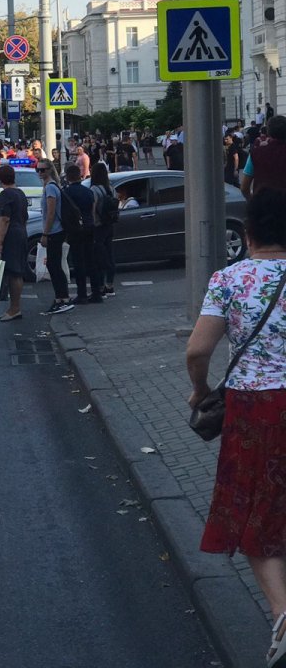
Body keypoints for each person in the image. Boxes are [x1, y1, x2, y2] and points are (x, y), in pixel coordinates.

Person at [186, 190, 286, 668]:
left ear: (248, 235)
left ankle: (282, 614)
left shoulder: (230, 279)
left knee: (253, 512)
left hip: (254, 409)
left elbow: (197, 350)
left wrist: (200, 390)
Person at [0, 164, 30, 322]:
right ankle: (13, 307)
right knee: (16, 272)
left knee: (14, 272)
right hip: (20, 233)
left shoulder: (6, 195)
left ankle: (15, 308)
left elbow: (4, 219)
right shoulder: (20, 193)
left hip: (11, 237)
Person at [37, 159, 73, 314]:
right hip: (55, 231)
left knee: (54, 265)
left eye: (42, 170)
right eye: (37, 170)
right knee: (54, 265)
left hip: (54, 232)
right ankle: (61, 297)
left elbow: (51, 213)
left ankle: (62, 298)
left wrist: (45, 233)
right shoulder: (50, 186)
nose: (39, 173)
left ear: (50, 170)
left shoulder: (51, 188)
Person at [63, 162, 102, 303]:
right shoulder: (89, 192)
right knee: (91, 261)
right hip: (89, 227)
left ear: (68, 177)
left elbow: (65, 214)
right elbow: (92, 211)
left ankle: (82, 294)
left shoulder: (66, 193)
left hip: (75, 230)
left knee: (79, 263)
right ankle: (96, 293)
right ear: (80, 176)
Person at [241, 115, 286, 200]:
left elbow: (244, 187)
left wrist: (253, 202)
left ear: (268, 132)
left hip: (262, 207)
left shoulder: (256, 153)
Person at [90, 161, 116, 297]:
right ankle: (110, 285)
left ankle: (100, 286)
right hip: (109, 225)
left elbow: (93, 209)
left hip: (99, 226)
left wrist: (92, 223)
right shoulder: (110, 188)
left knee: (98, 257)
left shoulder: (94, 190)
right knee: (109, 254)